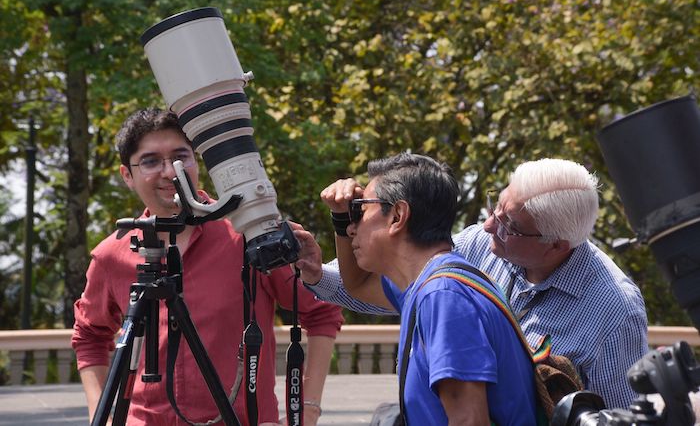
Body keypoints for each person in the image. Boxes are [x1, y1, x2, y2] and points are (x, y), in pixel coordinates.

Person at [298, 158, 648, 410]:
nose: (487, 226)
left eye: (509, 224)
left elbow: (627, 416)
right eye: (495, 206)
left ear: (556, 244)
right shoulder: (473, 251)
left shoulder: (616, 309)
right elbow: (370, 283)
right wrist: (318, 269)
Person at [71, 108, 344, 426]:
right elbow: (89, 335)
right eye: (150, 161)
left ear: (196, 161)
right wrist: (98, 414)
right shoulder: (112, 254)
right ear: (126, 175)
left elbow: (321, 312)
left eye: (180, 157)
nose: (169, 172)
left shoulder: (247, 233)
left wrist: (305, 412)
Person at [294, 152, 537, 425]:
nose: (352, 229)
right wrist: (339, 218)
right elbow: (358, 283)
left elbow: (468, 420)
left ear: (398, 216)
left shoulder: (443, 296)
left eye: (360, 211)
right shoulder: (429, 283)